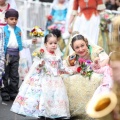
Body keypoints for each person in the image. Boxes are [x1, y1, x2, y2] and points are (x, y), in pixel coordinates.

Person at [11, 33, 73, 119]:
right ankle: (43, 112)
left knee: (56, 95)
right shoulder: (43, 54)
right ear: (45, 44)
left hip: (56, 79)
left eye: (55, 43)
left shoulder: (58, 56)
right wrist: (40, 64)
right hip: (45, 78)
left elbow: (60, 67)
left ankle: (56, 112)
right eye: (50, 43)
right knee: (44, 95)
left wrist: (70, 71)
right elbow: (37, 67)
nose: (53, 45)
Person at [62, 32, 109, 119]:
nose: (80, 49)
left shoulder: (96, 50)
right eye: (77, 47)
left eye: (82, 45)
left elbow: (106, 58)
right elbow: (64, 64)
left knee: (94, 78)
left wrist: (97, 67)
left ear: (86, 43)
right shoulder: (73, 56)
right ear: (73, 49)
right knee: (66, 78)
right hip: (84, 73)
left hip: (98, 71)